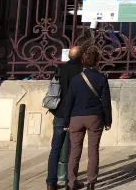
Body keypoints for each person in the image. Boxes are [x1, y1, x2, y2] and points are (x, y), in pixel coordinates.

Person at [61, 45, 112, 190]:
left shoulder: (76, 79)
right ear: (97, 60)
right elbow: (106, 102)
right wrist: (108, 121)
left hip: (76, 117)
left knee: (74, 151)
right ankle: (91, 182)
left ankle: (71, 182)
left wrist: (66, 121)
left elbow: (69, 101)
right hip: (95, 117)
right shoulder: (101, 78)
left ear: (83, 60)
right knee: (93, 151)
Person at [46, 45, 83, 190]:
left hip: (60, 112)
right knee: (74, 148)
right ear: (81, 57)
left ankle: (50, 182)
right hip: (74, 113)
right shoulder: (81, 71)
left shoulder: (61, 69)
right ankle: (71, 181)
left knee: (55, 148)